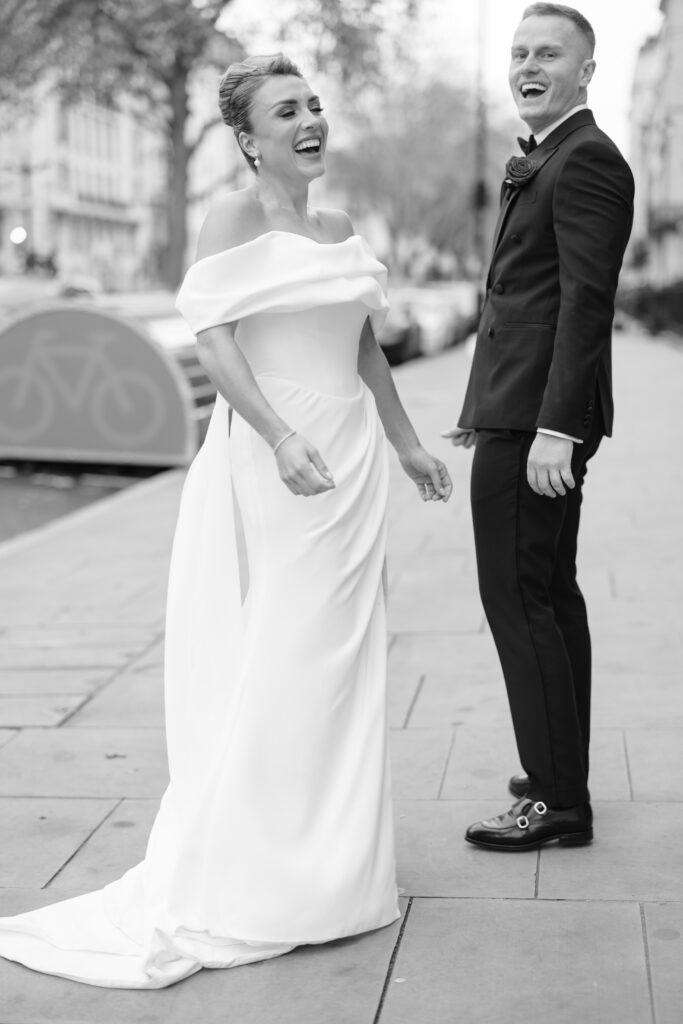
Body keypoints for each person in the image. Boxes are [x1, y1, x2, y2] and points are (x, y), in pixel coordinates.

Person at [0, 54, 452, 987]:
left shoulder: (338, 226)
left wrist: (405, 444)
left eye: (314, 104)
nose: (310, 119)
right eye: (287, 110)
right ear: (249, 140)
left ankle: (337, 877)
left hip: (353, 454)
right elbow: (214, 339)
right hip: (274, 455)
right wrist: (280, 437)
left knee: (346, 655)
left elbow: (362, 339)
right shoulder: (231, 218)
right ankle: (261, 873)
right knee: (289, 652)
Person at [443, 3, 634, 851]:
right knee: (548, 596)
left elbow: (585, 304)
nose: (527, 64)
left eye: (548, 53)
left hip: (540, 422)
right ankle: (558, 772)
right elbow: (520, 304)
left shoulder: (585, 159)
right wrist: (478, 412)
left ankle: (555, 802)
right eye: (519, 51)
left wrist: (555, 427)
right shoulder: (553, 155)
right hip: (516, 411)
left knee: (517, 598)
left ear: (585, 71)